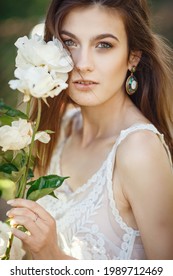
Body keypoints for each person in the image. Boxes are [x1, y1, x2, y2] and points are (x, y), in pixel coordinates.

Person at [6, 0, 173, 260]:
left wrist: (53, 256)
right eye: (70, 43)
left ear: (133, 56)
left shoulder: (139, 150)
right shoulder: (57, 129)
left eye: (103, 45)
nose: (83, 63)